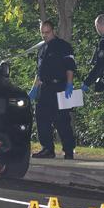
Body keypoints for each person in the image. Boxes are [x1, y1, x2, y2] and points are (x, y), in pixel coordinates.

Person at [28, 20, 77, 159]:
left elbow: (70, 66)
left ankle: (68, 150)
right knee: (41, 118)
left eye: (47, 32)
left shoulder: (63, 46)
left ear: (53, 31)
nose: (45, 35)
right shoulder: (42, 48)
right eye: (42, 33)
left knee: (62, 120)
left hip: (60, 87)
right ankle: (47, 148)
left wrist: (69, 84)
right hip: (45, 88)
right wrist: (34, 89)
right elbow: (39, 72)